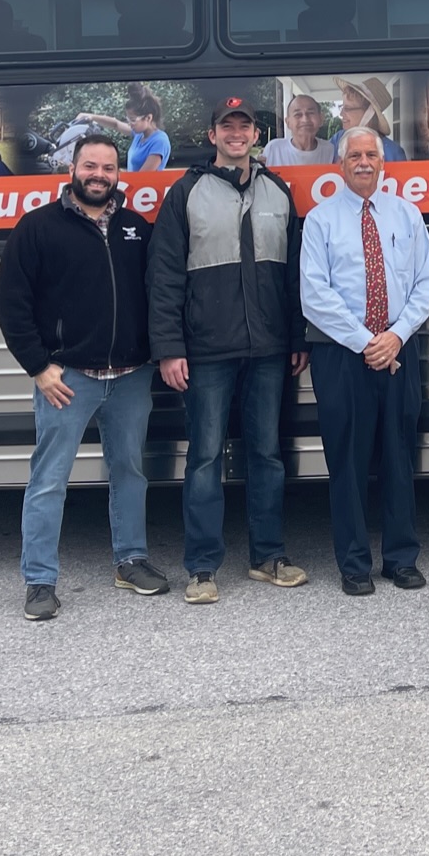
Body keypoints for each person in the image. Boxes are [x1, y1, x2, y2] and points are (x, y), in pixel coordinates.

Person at [0, 132, 166, 621]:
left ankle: (130, 560)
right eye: (90, 166)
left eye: (108, 168)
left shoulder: (136, 228)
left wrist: (157, 354)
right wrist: (39, 367)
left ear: (118, 174)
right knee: (49, 480)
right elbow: (10, 303)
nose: (98, 176)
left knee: (130, 473)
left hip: (132, 377)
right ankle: (40, 581)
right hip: (68, 378)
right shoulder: (38, 228)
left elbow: (158, 296)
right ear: (73, 168)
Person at [148, 96, 309, 603]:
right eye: (227, 126)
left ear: (255, 135)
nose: (237, 134)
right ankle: (201, 567)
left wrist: (297, 337)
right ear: (213, 135)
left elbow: (296, 277)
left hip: (268, 349)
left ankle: (268, 556)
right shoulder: (186, 193)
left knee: (267, 454)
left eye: (245, 126)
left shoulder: (279, 192)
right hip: (206, 351)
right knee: (204, 457)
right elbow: (165, 277)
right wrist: (170, 348)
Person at [300, 127, 429, 595]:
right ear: (339, 165)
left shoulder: (406, 214)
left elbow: (425, 282)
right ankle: (354, 564)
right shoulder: (320, 221)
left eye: (370, 155)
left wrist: (395, 337)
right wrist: (366, 342)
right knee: (347, 460)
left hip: (398, 351)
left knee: (400, 456)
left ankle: (401, 559)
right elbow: (314, 295)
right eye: (354, 155)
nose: (363, 162)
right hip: (341, 355)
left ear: (383, 163)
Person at [83, 85, 171, 172]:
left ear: (148, 118)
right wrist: (90, 117)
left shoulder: (160, 141)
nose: (129, 124)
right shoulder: (139, 135)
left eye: (133, 120)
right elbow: (115, 124)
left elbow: (143, 177)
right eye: (128, 119)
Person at [337, 77, 407, 161]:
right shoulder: (337, 140)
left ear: (368, 113)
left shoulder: (394, 153)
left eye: (347, 109)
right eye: (341, 107)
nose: (341, 114)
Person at [263, 93, 336, 168]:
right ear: (288, 122)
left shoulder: (330, 151)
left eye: (311, 113)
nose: (305, 120)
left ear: (321, 119)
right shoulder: (274, 149)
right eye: (298, 114)